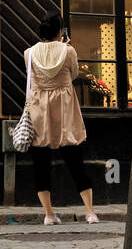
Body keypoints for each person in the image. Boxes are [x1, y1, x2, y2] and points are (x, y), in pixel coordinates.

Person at [25, 12, 98, 224]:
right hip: (65, 109)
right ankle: (89, 212)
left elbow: (32, 77)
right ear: (60, 32)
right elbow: (74, 74)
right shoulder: (69, 52)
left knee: (41, 162)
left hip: (40, 111)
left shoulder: (29, 53)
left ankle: (49, 214)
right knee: (75, 159)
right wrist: (64, 47)